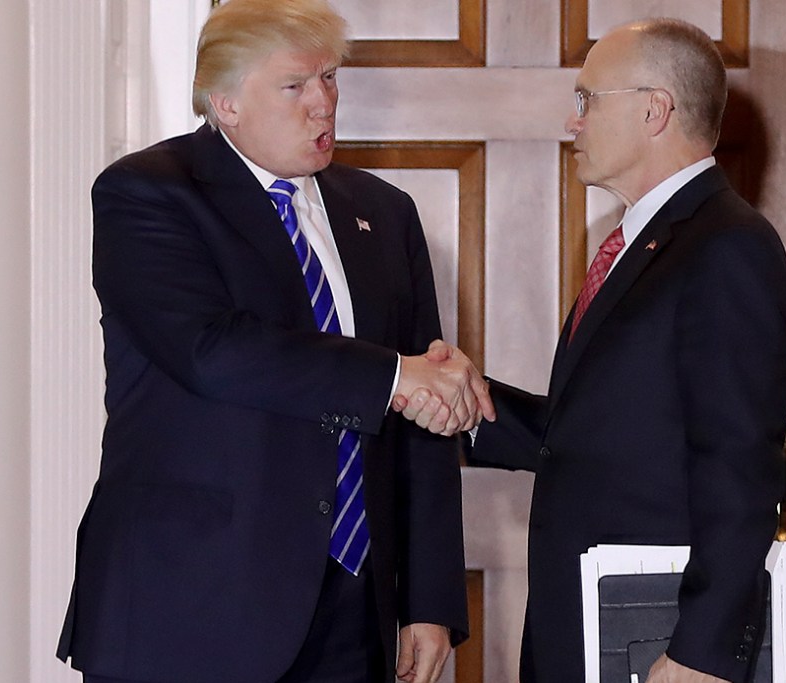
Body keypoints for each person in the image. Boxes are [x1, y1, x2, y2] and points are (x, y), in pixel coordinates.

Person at [56, 1, 493, 682]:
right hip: (192, 609)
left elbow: (418, 421)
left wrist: (430, 600)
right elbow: (212, 351)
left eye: (329, 78)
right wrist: (395, 377)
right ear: (225, 102)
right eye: (296, 85)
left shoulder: (383, 213)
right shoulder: (148, 194)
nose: (324, 103)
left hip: (354, 612)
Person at [396, 17, 786, 683]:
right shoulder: (636, 241)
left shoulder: (728, 245)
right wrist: (468, 404)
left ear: (654, 109)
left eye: (588, 99)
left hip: (662, 641)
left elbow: (739, 464)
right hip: (585, 625)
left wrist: (702, 652)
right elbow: (595, 436)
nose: (572, 121)